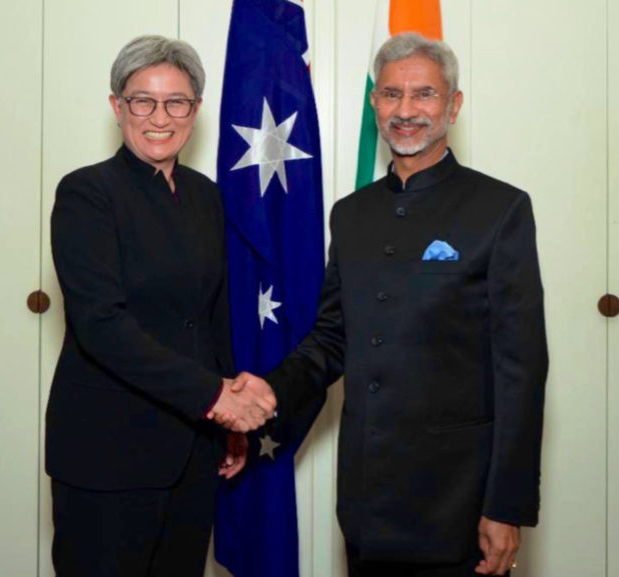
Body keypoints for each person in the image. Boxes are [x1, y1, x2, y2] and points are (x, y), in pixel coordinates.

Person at [219, 33, 548, 576]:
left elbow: (522, 369)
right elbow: (331, 339)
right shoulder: (351, 215)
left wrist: (506, 505)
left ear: (453, 105)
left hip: (458, 503)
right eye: (392, 95)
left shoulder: (501, 209)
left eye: (424, 95)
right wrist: (272, 388)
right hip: (368, 501)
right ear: (375, 105)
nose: (407, 111)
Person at [45, 35, 277, 577]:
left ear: (195, 110)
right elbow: (102, 326)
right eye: (141, 100)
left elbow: (210, 314)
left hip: (192, 452)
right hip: (107, 453)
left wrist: (229, 423)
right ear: (116, 106)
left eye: (176, 101)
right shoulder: (86, 193)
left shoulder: (205, 196)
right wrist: (217, 398)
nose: (159, 116)